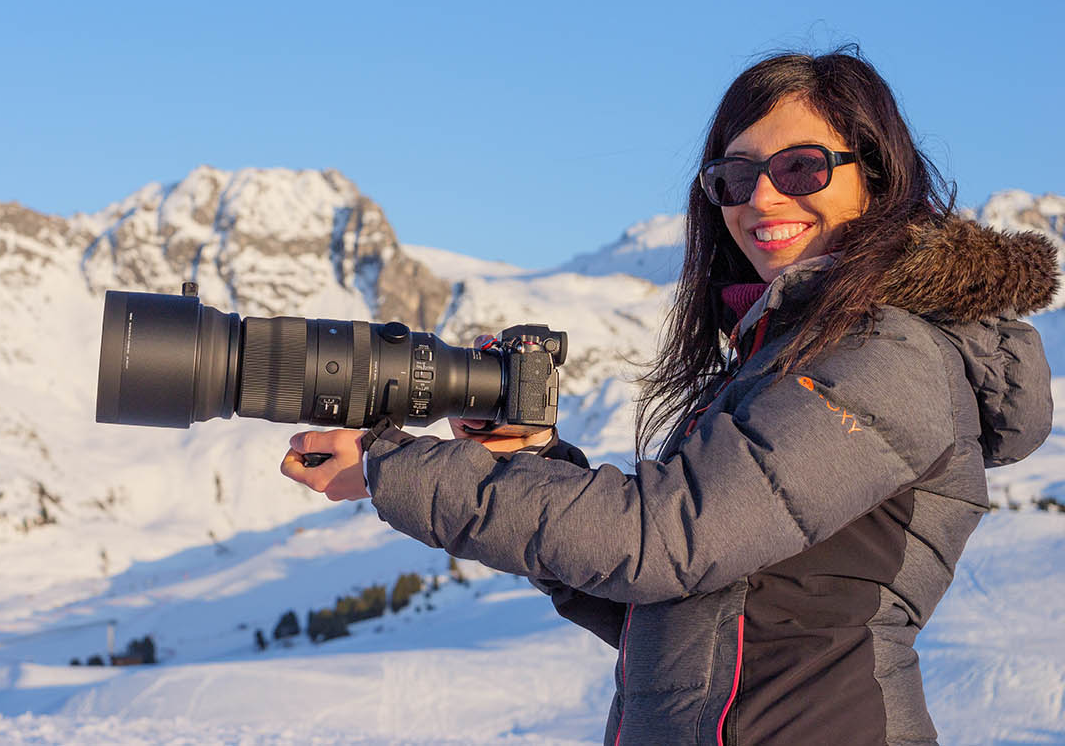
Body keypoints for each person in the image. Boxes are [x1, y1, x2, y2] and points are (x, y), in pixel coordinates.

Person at [280, 49, 1058, 746]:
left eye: (801, 169)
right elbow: (675, 608)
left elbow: (665, 538)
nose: (761, 199)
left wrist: (395, 469)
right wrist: (534, 462)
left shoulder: (888, 353)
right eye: (734, 176)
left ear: (876, 177)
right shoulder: (783, 352)